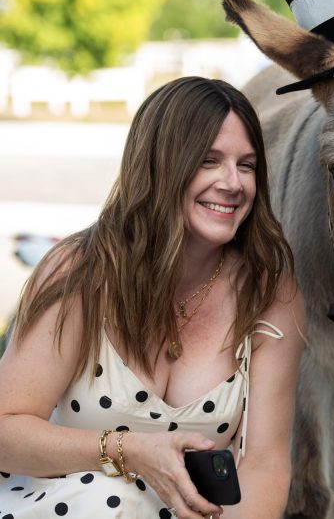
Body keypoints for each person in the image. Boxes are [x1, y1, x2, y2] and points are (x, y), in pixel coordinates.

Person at [0, 77, 305, 519]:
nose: (233, 183)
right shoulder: (81, 271)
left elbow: (264, 463)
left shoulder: (270, 293)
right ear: (161, 164)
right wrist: (128, 451)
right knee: (110, 497)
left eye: (247, 165)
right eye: (209, 161)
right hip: (62, 506)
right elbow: (5, 431)